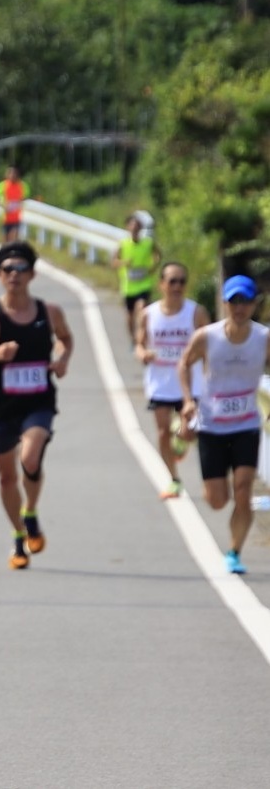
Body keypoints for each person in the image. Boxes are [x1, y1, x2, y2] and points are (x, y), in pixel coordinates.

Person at [0, 241, 73, 569]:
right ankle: (19, 535)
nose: (14, 275)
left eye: (21, 269)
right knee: (6, 478)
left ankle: (31, 510)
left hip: (39, 400)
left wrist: (63, 360)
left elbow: (66, 339)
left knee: (29, 456)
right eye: (8, 269)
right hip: (3, 406)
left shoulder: (49, 311)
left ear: (32, 275)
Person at [179, 275, 270, 575]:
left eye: (245, 301)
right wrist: (188, 400)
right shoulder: (208, 336)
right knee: (218, 500)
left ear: (254, 304)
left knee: (243, 489)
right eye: (234, 302)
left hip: (246, 424)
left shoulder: (263, 338)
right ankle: (220, 497)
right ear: (224, 303)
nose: (239, 308)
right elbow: (185, 363)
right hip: (212, 425)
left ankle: (234, 551)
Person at [134, 262, 210, 499]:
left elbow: (211, 344)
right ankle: (174, 480)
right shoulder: (149, 314)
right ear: (161, 284)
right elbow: (139, 343)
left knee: (189, 432)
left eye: (182, 281)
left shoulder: (196, 312)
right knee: (162, 431)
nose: (177, 286)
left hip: (191, 381)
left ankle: (181, 441)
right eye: (172, 281)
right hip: (161, 381)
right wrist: (143, 354)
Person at [112, 213, 162, 346]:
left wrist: (153, 267)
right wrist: (123, 263)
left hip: (144, 284)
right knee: (129, 316)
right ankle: (133, 340)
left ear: (140, 229)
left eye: (137, 227)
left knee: (142, 308)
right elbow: (114, 262)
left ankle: (142, 336)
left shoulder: (147, 243)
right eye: (132, 227)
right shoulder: (123, 244)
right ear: (128, 228)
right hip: (128, 286)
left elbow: (158, 255)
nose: (134, 229)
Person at [0, 166, 30, 243]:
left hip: (16, 218)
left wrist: (19, 202)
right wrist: (3, 206)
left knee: (14, 239)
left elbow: (25, 197)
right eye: (10, 173)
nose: (12, 176)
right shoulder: (2, 185)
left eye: (14, 174)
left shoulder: (22, 186)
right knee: (6, 241)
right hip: (5, 218)